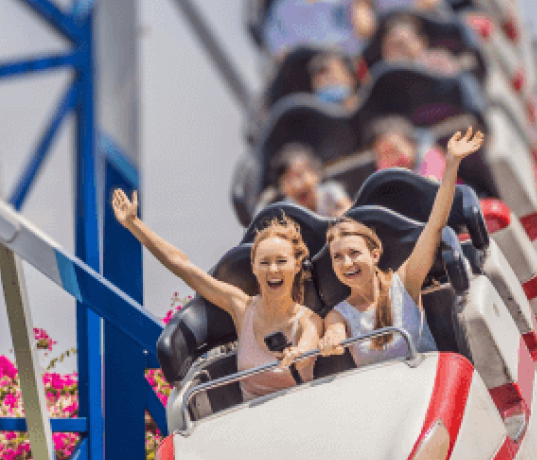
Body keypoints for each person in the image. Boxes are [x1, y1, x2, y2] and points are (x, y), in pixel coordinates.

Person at [110, 191, 322, 398]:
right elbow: (183, 266)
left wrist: (297, 354)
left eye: (281, 261)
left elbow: (306, 347)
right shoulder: (241, 306)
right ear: (254, 268)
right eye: (264, 263)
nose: (273, 270)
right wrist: (133, 224)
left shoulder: (308, 320)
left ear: (296, 266)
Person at [319, 128, 485, 365]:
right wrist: (331, 338)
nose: (347, 263)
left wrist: (451, 164)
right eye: (338, 257)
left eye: (354, 253)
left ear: (374, 255)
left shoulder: (405, 282)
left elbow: (435, 226)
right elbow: (334, 332)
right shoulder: (339, 314)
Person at [377, 12, 476, 75]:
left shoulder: (437, 61)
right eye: (390, 46)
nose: (397, 52)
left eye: (401, 45)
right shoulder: (377, 74)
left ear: (420, 43)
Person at [270, 143, 351, 218]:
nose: (296, 185)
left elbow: (349, 209)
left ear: (316, 173)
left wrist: (339, 215)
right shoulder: (287, 208)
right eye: (288, 180)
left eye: (300, 175)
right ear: (281, 189)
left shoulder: (330, 191)